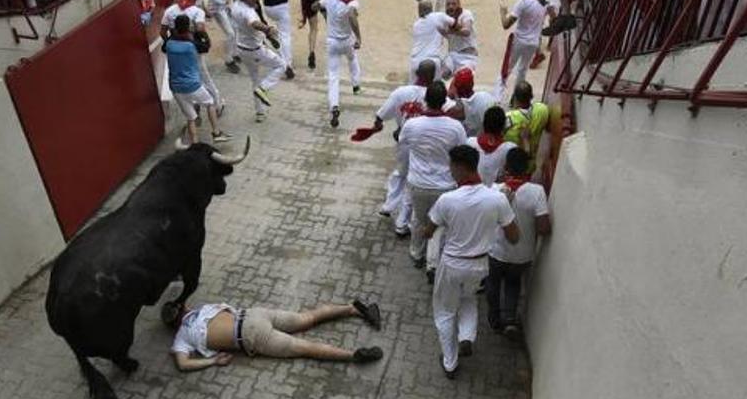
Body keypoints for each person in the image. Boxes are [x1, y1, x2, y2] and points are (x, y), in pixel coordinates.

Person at [422, 144, 519, 378]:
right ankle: (466, 337)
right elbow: (514, 237)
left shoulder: (448, 199)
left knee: (445, 311)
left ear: (459, 167)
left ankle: (450, 361)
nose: (450, 171)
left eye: (451, 167)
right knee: (468, 301)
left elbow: (428, 231)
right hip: (480, 264)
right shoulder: (497, 199)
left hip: (453, 263)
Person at [169, 299, 383, 370]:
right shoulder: (202, 308)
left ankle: (353, 355)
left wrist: (214, 361)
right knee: (306, 318)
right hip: (254, 314)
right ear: (185, 309)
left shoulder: (182, 337)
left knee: (304, 348)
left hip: (251, 336)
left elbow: (183, 364)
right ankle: (354, 308)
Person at [399, 81, 468, 276]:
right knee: (440, 224)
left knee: (420, 220)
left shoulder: (412, 125)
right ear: (444, 101)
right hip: (445, 184)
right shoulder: (456, 127)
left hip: (418, 183)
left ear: (426, 100)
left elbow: (401, 140)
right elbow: (462, 150)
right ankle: (433, 263)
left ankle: (416, 254)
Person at [487, 147, 551, 338]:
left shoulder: (495, 190)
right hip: (522, 255)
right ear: (527, 168)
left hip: (496, 251)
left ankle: (494, 318)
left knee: (493, 284)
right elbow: (543, 228)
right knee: (513, 284)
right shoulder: (537, 192)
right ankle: (509, 319)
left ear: (506, 166)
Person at [371, 60, 438, 238]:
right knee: (411, 180)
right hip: (423, 145)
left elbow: (381, 114)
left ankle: (388, 206)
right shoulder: (434, 95)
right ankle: (402, 222)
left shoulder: (401, 92)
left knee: (400, 173)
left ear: (416, 73)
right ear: (433, 76)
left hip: (403, 141)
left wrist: (377, 125)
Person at [164, 14, 231, 146]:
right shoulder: (192, 45)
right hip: (192, 84)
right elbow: (206, 46)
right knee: (210, 103)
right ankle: (216, 133)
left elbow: (166, 43)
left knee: (191, 117)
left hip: (175, 87)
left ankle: (195, 144)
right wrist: (201, 31)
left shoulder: (169, 44)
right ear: (188, 27)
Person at [229, 0, 287, 122]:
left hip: (241, 48)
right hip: (255, 50)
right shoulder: (249, 12)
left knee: (254, 78)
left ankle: (260, 112)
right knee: (281, 65)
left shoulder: (235, 6)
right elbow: (254, 23)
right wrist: (268, 29)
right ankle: (264, 88)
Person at [320, 0, 362, 128]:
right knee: (352, 59)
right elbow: (352, 15)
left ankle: (334, 106)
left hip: (332, 42)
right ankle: (356, 84)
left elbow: (315, 6)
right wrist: (359, 37)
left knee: (333, 76)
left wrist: (324, 12)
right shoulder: (353, 3)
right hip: (346, 41)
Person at [498, 0, 546, 100]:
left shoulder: (523, 2)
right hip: (534, 43)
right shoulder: (542, 1)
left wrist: (502, 12)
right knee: (522, 71)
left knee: (505, 70)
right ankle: (517, 99)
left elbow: (506, 24)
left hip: (520, 40)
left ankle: (497, 98)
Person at [466, 106, 515, 185]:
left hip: (474, 191)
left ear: (484, 123)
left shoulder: (470, 142)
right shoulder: (510, 148)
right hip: (496, 193)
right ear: (503, 126)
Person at [441, 0, 479, 78]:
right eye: (448, 4)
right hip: (452, 55)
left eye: (453, 4)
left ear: (459, 5)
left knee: (462, 80)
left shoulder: (466, 14)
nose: (450, 6)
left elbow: (467, 31)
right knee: (443, 73)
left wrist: (451, 31)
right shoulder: (445, 18)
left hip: (468, 57)